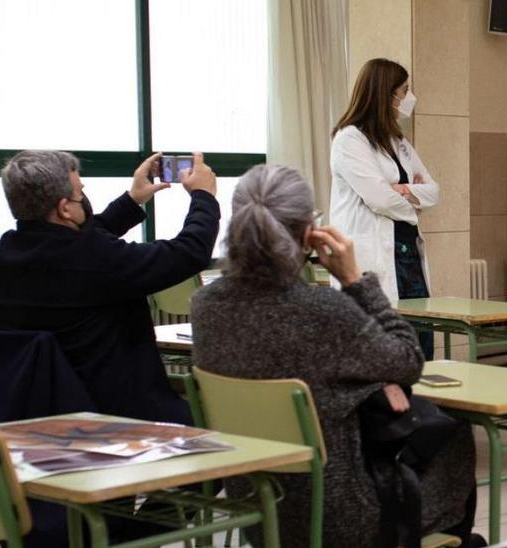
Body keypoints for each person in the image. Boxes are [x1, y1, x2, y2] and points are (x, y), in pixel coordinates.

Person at [190, 165, 479, 548]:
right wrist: (355, 280)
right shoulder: (323, 310)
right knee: (454, 439)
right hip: (343, 518)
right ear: (310, 233)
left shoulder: (206, 305)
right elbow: (408, 359)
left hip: (259, 512)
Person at [0, 150, 218, 425]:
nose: (84, 199)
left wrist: (133, 200)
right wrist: (204, 197)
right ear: (64, 208)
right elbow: (187, 253)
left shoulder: (3, 256)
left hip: (41, 416)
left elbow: (83, 241)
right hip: (121, 421)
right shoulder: (91, 258)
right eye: (79, 193)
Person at [331, 57, 440, 358]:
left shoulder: (397, 140)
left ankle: (422, 404)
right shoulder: (349, 139)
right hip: (375, 257)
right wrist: (412, 204)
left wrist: (404, 190)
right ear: (387, 94)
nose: (408, 98)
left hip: (408, 257)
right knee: (386, 351)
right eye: (405, 90)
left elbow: (433, 190)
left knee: (420, 346)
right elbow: (378, 198)